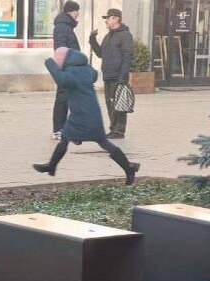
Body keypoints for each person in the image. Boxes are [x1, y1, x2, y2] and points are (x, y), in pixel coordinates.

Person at [33, 47, 140, 184]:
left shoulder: (73, 73)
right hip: (89, 113)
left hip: (83, 115)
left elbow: (62, 80)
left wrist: (49, 63)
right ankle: (51, 167)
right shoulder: (85, 70)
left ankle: (129, 167)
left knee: (95, 142)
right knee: (71, 138)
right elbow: (94, 74)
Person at [89, 8, 134, 139]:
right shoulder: (108, 36)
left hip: (118, 76)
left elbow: (127, 57)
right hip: (108, 76)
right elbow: (100, 53)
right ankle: (113, 129)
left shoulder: (125, 35)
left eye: (108, 18)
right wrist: (92, 40)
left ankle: (119, 131)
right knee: (110, 105)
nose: (106, 21)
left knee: (119, 104)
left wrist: (123, 77)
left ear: (115, 19)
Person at [52, 1, 81, 140]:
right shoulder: (62, 27)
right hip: (66, 68)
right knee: (62, 99)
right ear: (70, 11)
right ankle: (58, 129)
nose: (78, 13)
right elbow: (61, 49)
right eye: (76, 11)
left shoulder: (66, 27)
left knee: (69, 98)